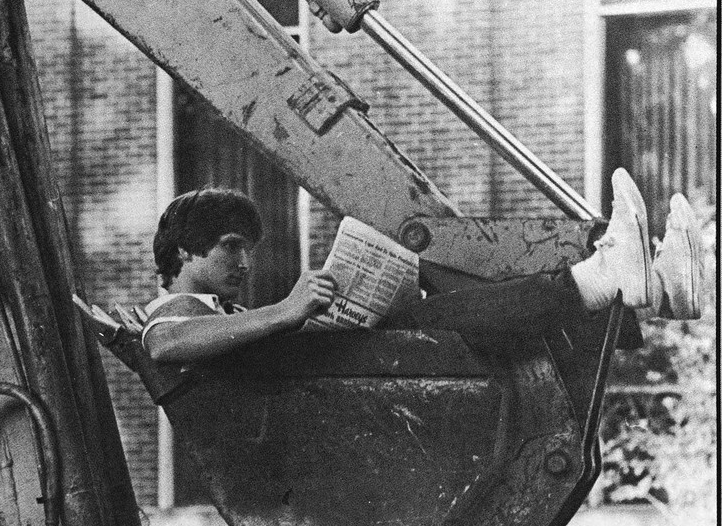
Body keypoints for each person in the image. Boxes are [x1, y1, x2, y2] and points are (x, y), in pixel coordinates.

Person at [141, 169, 701, 364]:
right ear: (185, 252)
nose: (243, 262)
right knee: (447, 316)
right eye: (230, 247)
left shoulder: (220, 313)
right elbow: (164, 342)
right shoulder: (175, 311)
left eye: (246, 248)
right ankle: (607, 279)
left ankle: (649, 291)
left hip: (351, 377)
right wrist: (287, 312)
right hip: (345, 394)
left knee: (454, 293)